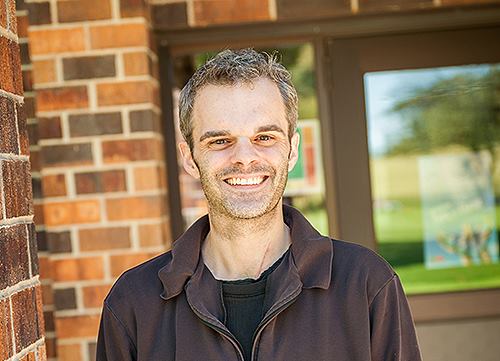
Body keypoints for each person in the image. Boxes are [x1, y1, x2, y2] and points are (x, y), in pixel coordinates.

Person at [96, 49, 422, 361]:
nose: (244, 158)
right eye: (220, 141)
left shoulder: (366, 284)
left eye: (265, 138)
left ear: (292, 150)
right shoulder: (133, 303)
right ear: (190, 158)